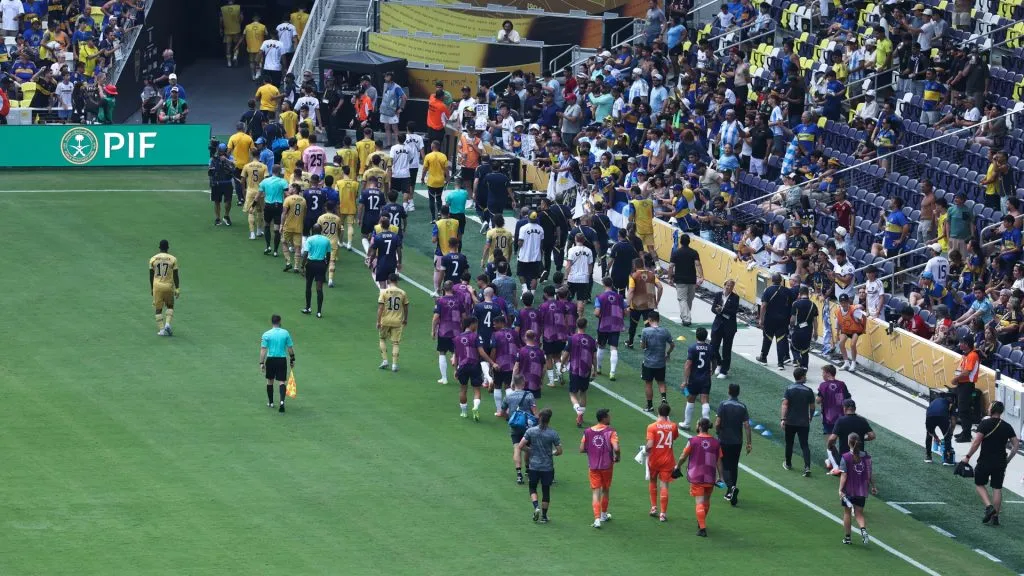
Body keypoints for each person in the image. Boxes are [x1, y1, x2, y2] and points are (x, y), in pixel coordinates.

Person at [960, 401, 1019, 526]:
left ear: (992, 409)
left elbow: (976, 442)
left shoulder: (984, 424)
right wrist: (1007, 460)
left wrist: (967, 456)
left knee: (979, 483)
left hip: (985, 460)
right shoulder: (1007, 426)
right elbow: (1015, 446)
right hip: (1000, 462)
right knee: (997, 488)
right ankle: (995, 517)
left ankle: (988, 507)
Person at [674, 418, 723, 537]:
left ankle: (702, 528)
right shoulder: (716, 442)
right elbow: (719, 460)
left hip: (696, 476)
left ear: (700, 426)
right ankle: (701, 521)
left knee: (699, 503)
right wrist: (720, 476)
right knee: (706, 501)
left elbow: (683, 456)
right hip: (710, 476)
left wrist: (678, 466)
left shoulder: (693, 441)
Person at [519, 408, 563, 523]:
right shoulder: (553, 433)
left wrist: (531, 451)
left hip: (533, 466)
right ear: (549, 420)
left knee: (532, 488)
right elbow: (559, 450)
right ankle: (544, 516)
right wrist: (552, 453)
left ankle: (536, 507)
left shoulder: (531, 431)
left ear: (539, 418)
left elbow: (521, 446)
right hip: (547, 467)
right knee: (546, 490)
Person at [580, 408, 620, 528]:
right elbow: (616, 448)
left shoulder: (587, 431)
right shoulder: (611, 432)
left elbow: (581, 449)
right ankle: (603, 514)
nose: (610, 418)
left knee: (595, 492)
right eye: (608, 416)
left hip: (593, 466)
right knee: (605, 489)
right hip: (607, 465)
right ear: (604, 418)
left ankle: (597, 519)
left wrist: (592, 451)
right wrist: (617, 457)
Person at [715, 383, 751, 506]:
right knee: (734, 465)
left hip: (724, 440)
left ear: (729, 391)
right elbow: (746, 425)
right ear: (738, 393)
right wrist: (749, 442)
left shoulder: (723, 404)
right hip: (737, 441)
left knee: (723, 464)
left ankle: (730, 488)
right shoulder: (742, 406)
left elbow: (717, 422)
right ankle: (730, 491)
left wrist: (717, 431)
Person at [839, 432, 877, 545]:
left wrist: (840, 489)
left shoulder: (845, 457)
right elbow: (870, 474)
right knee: (859, 514)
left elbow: (844, 475)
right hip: (862, 490)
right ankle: (863, 530)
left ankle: (847, 538)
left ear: (848, 442)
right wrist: (874, 486)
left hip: (849, 491)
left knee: (847, 513)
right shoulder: (867, 457)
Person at [455, 317, 495, 421]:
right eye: (476, 324)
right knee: (476, 390)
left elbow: (456, 355)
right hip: (474, 365)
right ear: (471, 324)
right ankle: (475, 407)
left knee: (463, 389)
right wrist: (492, 362)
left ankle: (463, 413)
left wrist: (456, 369)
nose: (477, 326)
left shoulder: (457, 337)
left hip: (462, 366)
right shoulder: (476, 336)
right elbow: (481, 352)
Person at [645, 403, 679, 522]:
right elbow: (674, 437)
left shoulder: (651, 427)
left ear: (658, 412)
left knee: (653, 481)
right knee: (664, 485)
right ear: (668, 413)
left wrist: (644, 451)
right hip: (668, 460)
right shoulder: (673, 426)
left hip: (654, 459)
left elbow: (649, 445)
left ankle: (654, 507)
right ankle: (663, 514)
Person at [503, 373, 538, 484]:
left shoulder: (509, 396)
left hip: (515, 426)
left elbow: (503, 411)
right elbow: (534, 411)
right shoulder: (529, 395)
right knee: (528, 447)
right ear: (523, 383)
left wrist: (509, 418)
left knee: (517, 448)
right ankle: (528, 469)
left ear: (514, 383)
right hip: (527, 426)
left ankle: (519, 475)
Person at [782, 366, 816, 477]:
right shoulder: (809, 391)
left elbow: (785, 405)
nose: (806, 377)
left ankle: (788, 463)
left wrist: (783, 419)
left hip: (790, 421)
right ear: (802, 377)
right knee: (804, 445)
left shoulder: (789, 389)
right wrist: (810, 417)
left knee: (789, 443)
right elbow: (812, 407)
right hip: (803, 422)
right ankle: (807, 467)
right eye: (805, 375)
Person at [563, 318, 597, 427]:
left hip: (574, 369)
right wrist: (595, 370)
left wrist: (562, 364)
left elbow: (566, 354)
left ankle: (578, 411)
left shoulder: (572, 338)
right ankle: (581, 416)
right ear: (586, 326)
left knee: (572, 393)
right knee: (583, 392)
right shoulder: (591, 340)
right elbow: (594, 357)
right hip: (586, 370)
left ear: (577, 325)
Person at [817, 365, 851, 474]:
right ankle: (836, 462)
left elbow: (818, 400)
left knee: (830, 443)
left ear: (828, 373)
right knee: (843, 443)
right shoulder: (841, 384)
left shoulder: (823, 386)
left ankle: (836, 466)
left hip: (828, 418)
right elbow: (848, 399)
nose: (822, 375)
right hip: (842, 418)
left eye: (823, 373)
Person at [259, 314, 295, 413]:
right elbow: (290, 348)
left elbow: (263, 349)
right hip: (281, 360)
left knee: (270, 381)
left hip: (270, 359)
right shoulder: (285, 333)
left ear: (272, 322)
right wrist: (292, 359)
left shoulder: (266, 334)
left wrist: (261, 362)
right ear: (280, 321)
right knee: (282, 381)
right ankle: (282, 402)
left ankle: (270, 402)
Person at [758, 272, 794, 369]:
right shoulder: (788, 291)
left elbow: (763, 306)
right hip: (783, 320)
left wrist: (761, 318)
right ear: (781, 280)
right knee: (781, 340)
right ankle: (780, 363)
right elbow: (792, 306)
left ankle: (763, 357)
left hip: (770, 319)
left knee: (767, 338)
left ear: (772, 280)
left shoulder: (768, 290)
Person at [641, 310, 674, 412]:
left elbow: (643, 346)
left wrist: (644, 344)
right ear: (658, 320)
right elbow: (672, 344)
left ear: (649, 320)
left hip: (648, 363)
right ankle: (664, 399)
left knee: (648, 383)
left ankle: (650, 405)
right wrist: (668, 353)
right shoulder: (665, 331)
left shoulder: (645, 331)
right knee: (661, 382)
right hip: (660, 362)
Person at [594, 276, 626, 380]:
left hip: (603, 325)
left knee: (601, 346)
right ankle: (612, 372)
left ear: (603, 284)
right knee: (614, 348)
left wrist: (600, 315)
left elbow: (597, 313)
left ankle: (598, 368)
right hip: (616, 325)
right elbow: (626, 312)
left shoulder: (600, 297)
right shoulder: (619, 297)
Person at [376, 273, 409, 372]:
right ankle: (394, 365)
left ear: (389, 281)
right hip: (397, 321)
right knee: (395, 343)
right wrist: (405, 319)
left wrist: (378, 321)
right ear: (397, 281)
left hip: (385, 320)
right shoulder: (402, 293)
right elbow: (406, 308)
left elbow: (380, 308)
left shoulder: (384, 292)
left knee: (382, 339)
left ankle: (385, 360)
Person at [682, 327, 713, 431]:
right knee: (705, 400)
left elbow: (688, 365)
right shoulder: (710, 348)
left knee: (691, 400)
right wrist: (711, 371)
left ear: (696, 336)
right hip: (706, 378)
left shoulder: (692, 348)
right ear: (706, 337)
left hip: (694, 378)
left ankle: (686, 423)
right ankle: (706, 423)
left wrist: (685, 380)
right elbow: (715, 361)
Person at [950, 336, 981, 442]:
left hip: (967, 385)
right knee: (962, 409)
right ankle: (965, 431)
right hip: (962, 384)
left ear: (967, 344)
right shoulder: (966, 355)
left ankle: (967, 435)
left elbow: (967, 372)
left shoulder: (972, 355)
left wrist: (955, 379)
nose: (960, 344)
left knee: (964, 410)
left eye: (962, 342)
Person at [627, 257, 662, 348]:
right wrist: (657, 300)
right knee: (648, 324)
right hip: (649, 304)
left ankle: (630, 342)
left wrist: (627, 304)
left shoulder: (633, 276)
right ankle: (647, 344)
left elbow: (631, 291)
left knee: (633, 325)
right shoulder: (651, 274)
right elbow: (660, 287)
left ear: (634, 266)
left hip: (636, 305)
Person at [669, 234, 703, 326]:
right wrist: (701, 276)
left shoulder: (676, 253)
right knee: (689, 299)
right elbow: (698, 264)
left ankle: (686, 317)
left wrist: (670, 278)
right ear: (689, 242)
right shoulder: (694, 252)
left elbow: (671, 266)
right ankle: (686, 316)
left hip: (680, 280)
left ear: (680, 242)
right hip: (691, 279)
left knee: (682, 299)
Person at [710, 279, 740, 379]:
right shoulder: (718, 295)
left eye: (731, 286)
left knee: (726, 349)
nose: (729, 287)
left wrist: (722, 310)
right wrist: (717, 311)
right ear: (724, 285)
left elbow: (733, 311)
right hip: (718, 324)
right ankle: (719, 363)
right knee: (713, 346)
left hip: (729, 327)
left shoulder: (735, 297)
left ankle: (724, 370)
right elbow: (713, 308)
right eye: (727, 285)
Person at [149, 239, 180, 337]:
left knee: (158, 309)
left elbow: (151, 275)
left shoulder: (153, 259)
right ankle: (167, 324)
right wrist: (177, 288)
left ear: (159, 248)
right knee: (170, 306)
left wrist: (151, 288)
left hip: (157, 286)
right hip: (168, 286)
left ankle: (162, 329)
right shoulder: (173, 259)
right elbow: (175, 275)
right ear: (168, 248)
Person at [301, 223, 331, 318]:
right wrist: (325, 266)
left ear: (313, 230)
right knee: (319, 289)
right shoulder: (326, 240)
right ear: (321, 231)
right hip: (321, 264)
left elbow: (305, 253)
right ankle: (319, 312)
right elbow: (329, 255)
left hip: (311, 264)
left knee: (308, 286)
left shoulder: (310, 239)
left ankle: (308, 308)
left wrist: (302, 266)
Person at [258, 165, 288, 257]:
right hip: (278, 206)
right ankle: (275, 251)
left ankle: (268, 247)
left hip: (268, 206)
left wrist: (253, 205)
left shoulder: (265, 181)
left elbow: (258, 195)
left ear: (272, 171)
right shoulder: (283, 181)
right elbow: (287, 194)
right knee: (276, 229)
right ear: (279, 172)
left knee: (266, 225)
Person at [564, 234, 594, 315]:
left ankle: (567, 316)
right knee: (581, 300)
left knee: (568, 299)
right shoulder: (589, 251)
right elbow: (590, 266)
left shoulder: (571, 250)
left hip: (572, 278)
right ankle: (580, 319)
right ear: (584, 240)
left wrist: (565, 278)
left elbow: (568, 265)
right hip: (584, 279)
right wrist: (588, 275)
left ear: (575, 239)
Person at [834, 293, 866, 371]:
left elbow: (864, 317)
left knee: (852, 345)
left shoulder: (854, 310)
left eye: (845, 302)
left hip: (856, 329)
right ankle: (846, 362)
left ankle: (853, 363)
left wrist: (864, 328)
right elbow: (837, 323)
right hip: (846, 330)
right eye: (842, 302)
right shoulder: (838, 311)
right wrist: (837, 334)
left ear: (848, 302)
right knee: (841, 343)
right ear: (840, 302)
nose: (843, 304)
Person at [370, 217, 403, 290]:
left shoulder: (378, 237)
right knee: (392, 285)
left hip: (381, 263)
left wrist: (370, 261)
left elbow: (373, 253)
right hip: (392, 263)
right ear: (389, 225)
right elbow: (399, 251)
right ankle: (391, 300)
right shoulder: (395, 236)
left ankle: (383, 300)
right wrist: (399, 263)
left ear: (381, 225)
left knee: (382, 287)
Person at [790, 286, 819, 369]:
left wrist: (791, 327)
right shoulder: (813, 305)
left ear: (799, 294)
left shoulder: (796, 304)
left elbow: (792, 319)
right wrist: (815, 332)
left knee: (793, 346)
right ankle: (805, 366)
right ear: (808, 294)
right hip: (808, 330)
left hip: (798, 329)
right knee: (805, 350)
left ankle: (798, 359)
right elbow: (815, 320)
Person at [280, 184, 307, 273]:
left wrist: (281, 225)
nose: (289, 189)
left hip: (288, 226)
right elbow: (304, 214)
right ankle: (296, 266)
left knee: (284, 242)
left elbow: (284, 213)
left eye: (291, 187)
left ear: (295, 189)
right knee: (297, 247)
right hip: (298, 227)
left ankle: (288, 262)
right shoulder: (303, 200)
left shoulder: (288, 199)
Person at [924, 391, 955, 465]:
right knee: (947, 437)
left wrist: (934, 436)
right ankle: (947, 459)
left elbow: (928, 417)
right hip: (943, 417)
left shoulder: (933, 401)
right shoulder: (949, 403)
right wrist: (950, 433)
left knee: (929, 435)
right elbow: (953, 420)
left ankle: (928, 456)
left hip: (930, 417)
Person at [517, 211, 544, 294]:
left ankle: (525, 290)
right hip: (536, 257)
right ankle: (531, 294)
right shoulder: (540, 229)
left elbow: (520, 243)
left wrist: (518, 246)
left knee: (521, 273)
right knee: (534, 277)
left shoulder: (523, 228)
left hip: (524, 256)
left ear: (528, 217)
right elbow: (541, 244)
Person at [208, 143, 235, 226]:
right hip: (217, 183)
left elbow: (234, 166)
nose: (222, 153)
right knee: (217, 201)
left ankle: (226, 216)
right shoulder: (213, 159)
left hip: (227, 183)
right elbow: (210, 171)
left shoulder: (230, 158)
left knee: (228, 202)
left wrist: (226, 160)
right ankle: (217, 218)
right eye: (220, 151)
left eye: (223, 151)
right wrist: (211, 182)